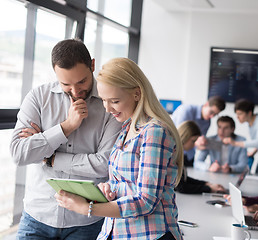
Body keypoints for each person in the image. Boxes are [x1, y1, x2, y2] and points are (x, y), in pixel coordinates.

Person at [54, 57, 184, 239]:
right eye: (104, 101)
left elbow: (146, 201)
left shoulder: (154, 132)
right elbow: (127, 183)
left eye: (114, 101)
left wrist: (87, 208)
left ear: (137, 94)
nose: (107, 109)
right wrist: (110, 188)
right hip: (118, 232)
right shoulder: (126, 129)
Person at [10, 39, 122, 239]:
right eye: (66, 84)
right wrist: (66, 127)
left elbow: (105, 165)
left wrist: (50, 157)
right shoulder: (38, 98)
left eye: (82, 82)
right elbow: (19, 153)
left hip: (86, 222)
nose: (76, 91)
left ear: (92, 65)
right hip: (37, 217)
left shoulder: (111, 104)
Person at [223, 99, 258, 175]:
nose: (237, 117)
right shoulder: (250, 123)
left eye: (240, 114)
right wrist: (253, 152)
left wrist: (235, 143)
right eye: (236, 114)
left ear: (249, 113)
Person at [171, 95, 226, 166]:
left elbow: (198, 140)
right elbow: (181, 136)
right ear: (206, 104)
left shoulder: (207, 122)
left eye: (215, 114)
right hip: (175, 154)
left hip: (189, 156)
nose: (212, 116)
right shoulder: (186, 110)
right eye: (211, 112)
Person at [175, 120, 226, 194]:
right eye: (193, 141)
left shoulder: (179, 153)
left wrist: (206, 184)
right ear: (185, 137)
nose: (194, 145)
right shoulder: (174, 155)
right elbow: (182, 187)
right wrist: (209, 189)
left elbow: (183, 179)